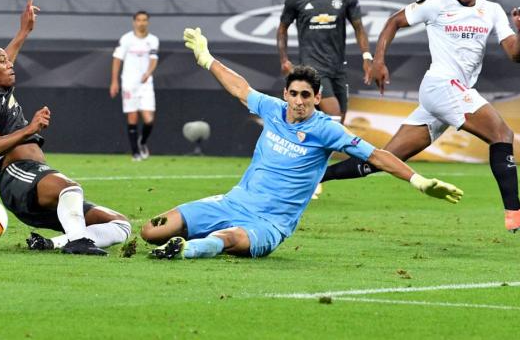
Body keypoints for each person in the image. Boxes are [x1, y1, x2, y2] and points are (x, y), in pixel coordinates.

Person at [140, 28, 463, 260]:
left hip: (270, 222)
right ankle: (186, 240)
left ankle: (189, 249)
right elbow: (240, 88)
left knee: (230, 238)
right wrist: (207, 58)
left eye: (305, 95)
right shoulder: (273, 109)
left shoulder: (326, 130)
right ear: (285, 94)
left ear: (317, 98)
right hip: (232, 203)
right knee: (150, 230)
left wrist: (419, 181)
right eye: (293, 94)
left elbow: (376, 156)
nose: (298, 101)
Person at [321, 0, 520, 233]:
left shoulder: (491, 11)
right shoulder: (434, 5)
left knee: (384, 159)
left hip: (453, 93)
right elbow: (394, 21)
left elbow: (515, 55)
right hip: (441, 85)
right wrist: (379, 59)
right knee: (502, 134)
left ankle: (314, 175)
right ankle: (515, 211)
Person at [0, 0, 132, 255]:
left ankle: (52, 243)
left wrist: (24, 31)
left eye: (8, 61)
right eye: (2, 62)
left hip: (37, 176)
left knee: (120, 224)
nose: (10, 64)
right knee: (69, 186)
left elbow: (5, 57)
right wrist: (29, 129)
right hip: (17, 177)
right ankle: (78, 243)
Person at [277, 0, 372, 125]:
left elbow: (359, 28)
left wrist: (367, 57)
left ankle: (306, 144)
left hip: (338, 68)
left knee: (339, 120)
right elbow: (282, 29)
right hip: (313, 68)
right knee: (334, 116)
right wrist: (284, 59)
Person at [110, 11, 159, 161]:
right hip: (129, 83)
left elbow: (153, 59)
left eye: (144, 20)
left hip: (145, 84)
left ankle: (142, 142)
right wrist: (114, 81)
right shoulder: (126, 39)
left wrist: (148, 73)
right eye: (139, 20)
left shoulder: (153, 40)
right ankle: (135, 153)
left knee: (149, 119)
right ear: (134, 22)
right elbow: (117, 59)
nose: (142, 23)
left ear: (148, 22)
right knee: (132, 117)